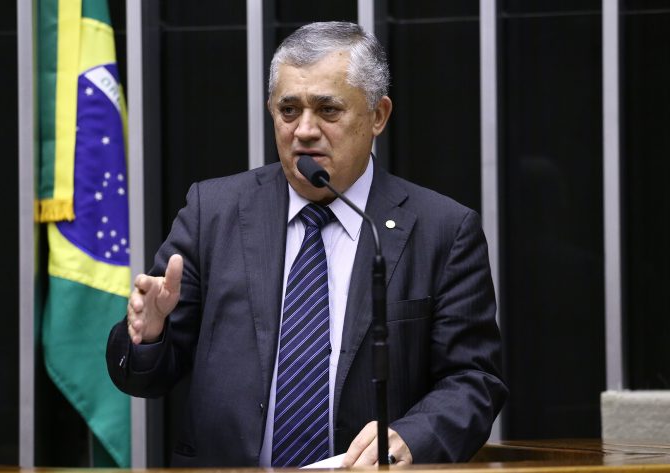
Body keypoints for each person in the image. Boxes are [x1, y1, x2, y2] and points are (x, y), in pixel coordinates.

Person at [106, 21, 507, 468]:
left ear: (377, 115)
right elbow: (144, 378)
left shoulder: (443, 230)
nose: (304, 130)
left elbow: (474, 380)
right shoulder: (212, 212)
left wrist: (412, 438)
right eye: (289, 110)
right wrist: (149, 335)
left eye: (328, 110)